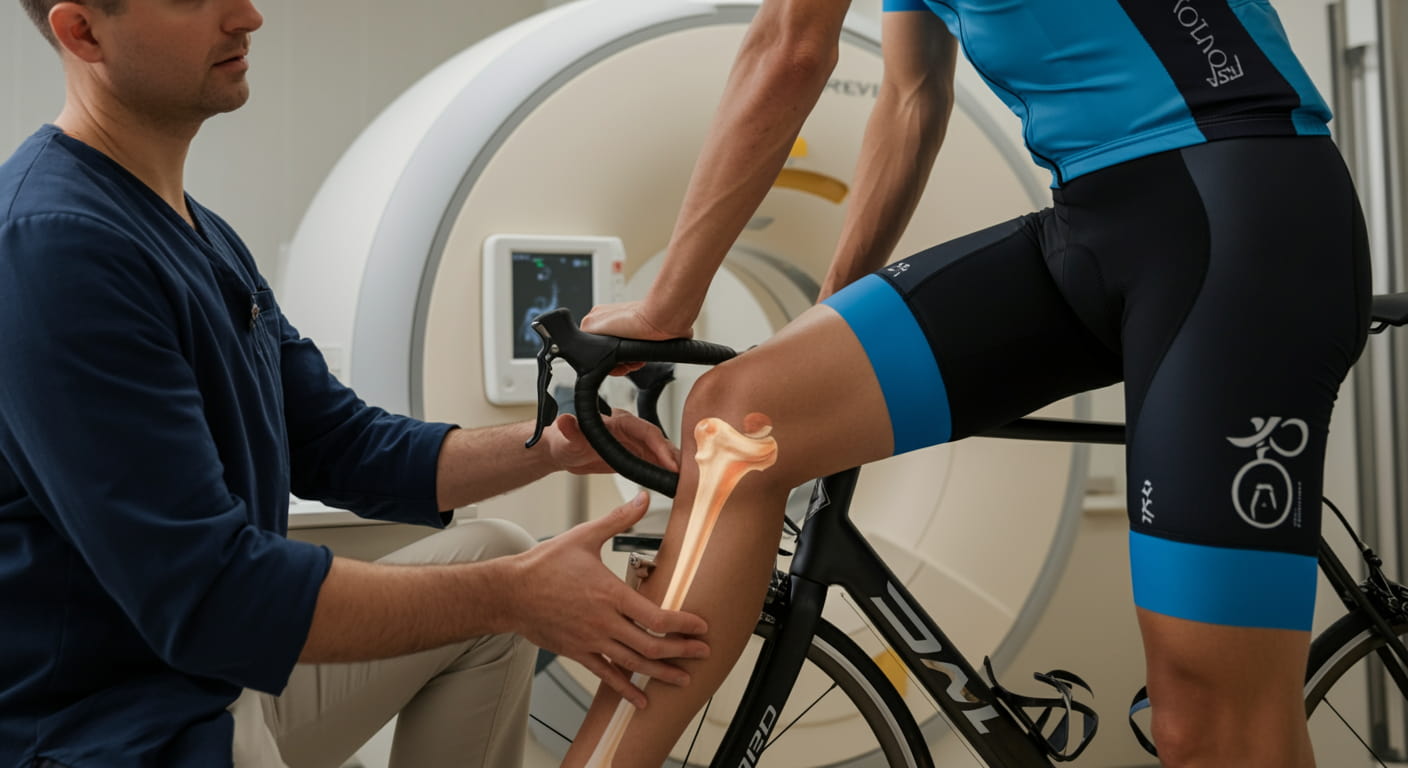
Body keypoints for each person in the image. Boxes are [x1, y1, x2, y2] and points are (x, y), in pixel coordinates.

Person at [570, 1, 1371, 766]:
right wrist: (823, 323)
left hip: (1248, 209)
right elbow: (913, 97)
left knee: (1206, 726)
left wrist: (667, 304)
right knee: (741, 417)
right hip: (1090, 222)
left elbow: (790, 47)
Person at [0, 1, 712, 766]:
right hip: (110, 730)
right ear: (82, 31)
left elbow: (343, 445)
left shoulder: (193, 230)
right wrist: (519, 595)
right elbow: (212, 598)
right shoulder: (56, 246)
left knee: (495, 550)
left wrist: (552, 445)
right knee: (499, 584)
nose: (247, 16)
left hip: (214, 683)